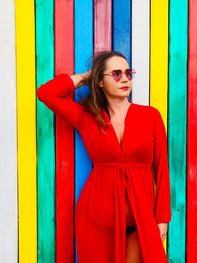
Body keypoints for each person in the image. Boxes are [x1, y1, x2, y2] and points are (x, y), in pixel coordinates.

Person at [37, 50, 171, 263]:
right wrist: (88, 76)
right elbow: (46, 93)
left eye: (128, 73)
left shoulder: (150, 116)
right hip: (97, 220)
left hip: (140, 219)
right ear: (100, 82)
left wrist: (162, 218)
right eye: (116, 74)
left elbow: (162, 167)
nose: (125, 78)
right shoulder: (87, 118)